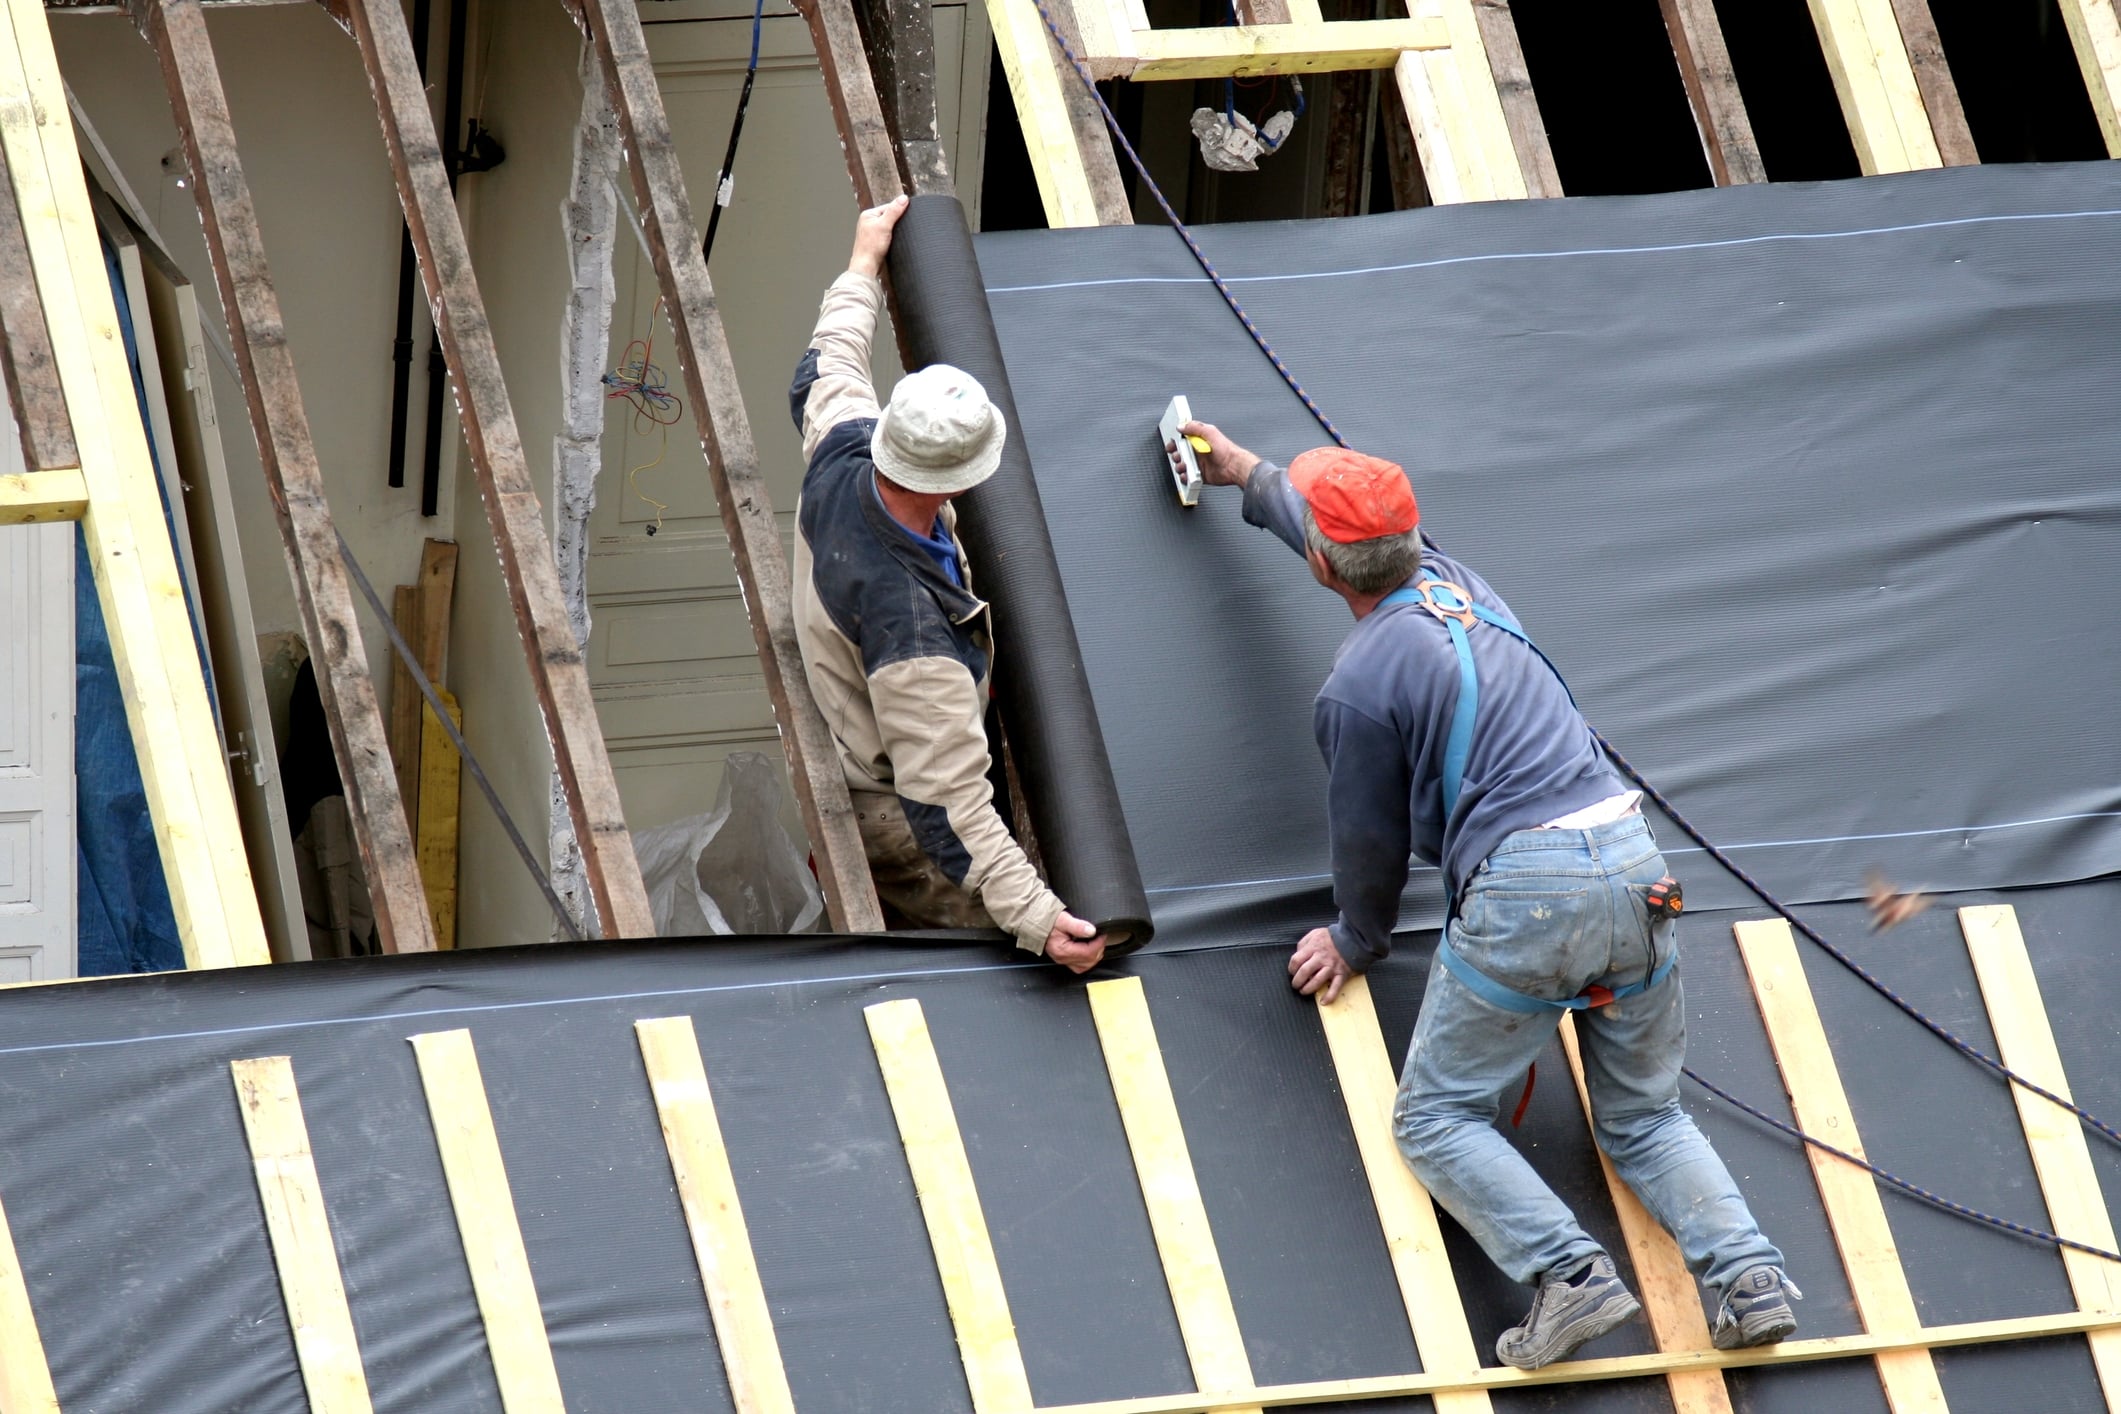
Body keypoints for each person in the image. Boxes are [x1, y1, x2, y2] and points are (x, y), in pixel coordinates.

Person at [1183, 419, 1800, 1370]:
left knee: (1434, 1118)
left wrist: (1355, 937)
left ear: (1319, 565)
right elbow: (1341, 527)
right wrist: (1242, 473)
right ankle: (1750, 1279)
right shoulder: (1460, 584)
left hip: (1528, 896)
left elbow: (1370, 838)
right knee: (1645, 1116)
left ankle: (1571, 1278)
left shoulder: (1356, 686)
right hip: (1634, 864)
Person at [789, 196, 1114, 974]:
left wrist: (863, 261)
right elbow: (944, 808)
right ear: (960, 477)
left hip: (851, 700)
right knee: (984, 965)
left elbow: (826, 366)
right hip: (885, 807)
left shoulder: (845, 450)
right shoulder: (914, 628)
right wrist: (1040, 922)